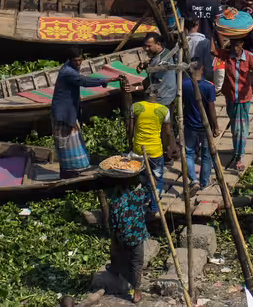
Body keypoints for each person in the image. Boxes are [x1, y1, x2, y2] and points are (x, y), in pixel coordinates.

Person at [52, 47, 126, 178]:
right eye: (75, 61)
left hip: (69, 110)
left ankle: (71, 169)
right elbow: (84, 81)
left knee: (70, 140)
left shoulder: (69, 67)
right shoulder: (67, 72)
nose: (78, 63)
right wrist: (107, 80)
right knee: (64, 142)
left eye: (80, 60)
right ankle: (67, 171)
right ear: (70, 60)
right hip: (63, 113)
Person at [129, 84, 178, 215]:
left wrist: (130, 145)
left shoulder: (135, 107)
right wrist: (168, 147)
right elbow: (167, 133)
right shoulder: (163, 110)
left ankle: (144, 199)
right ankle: (154, 206)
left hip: (138, 150)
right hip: (155, 150)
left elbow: (130, 129)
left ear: (145, 94)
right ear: (157, 95)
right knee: (157, 178)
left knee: (143, 177)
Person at [103, 175, 149, 304]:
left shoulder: (114, 203)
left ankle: (117, 270)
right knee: (136, 263)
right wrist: (142, 178)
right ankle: (137, 291)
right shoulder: (137, 196)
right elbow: (149, 187)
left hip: (123, 237)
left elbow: (113, 224)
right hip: (137, 236)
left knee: (123, 256)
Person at [213, 37, 253, 171]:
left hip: (244, 98)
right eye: (232, 45)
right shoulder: (226, 56)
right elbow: (212, 51)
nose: (235, 48)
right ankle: (238, 148)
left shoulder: (250, 57)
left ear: (242, 44)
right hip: (230, 97)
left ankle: (239, 156)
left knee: (240, 128)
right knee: (234, 126)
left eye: (237, 45)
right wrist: (212, 31)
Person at [182, 61, 219, 193]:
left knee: (189, 153)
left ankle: (194, 180)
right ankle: (204, 181)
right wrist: (216, 126)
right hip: (205, 125)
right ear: (202, 69)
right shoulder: (208, 87)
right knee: (206, 154)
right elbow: (212, 108)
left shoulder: (183, 85)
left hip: (190, 124)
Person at [137, 33, 178, 108]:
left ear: (158, 44)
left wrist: (136, 87)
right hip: (164, 95)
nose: (146, 48)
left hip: (162, 99)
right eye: (145, 46)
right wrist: (145, 65)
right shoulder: (164, 52)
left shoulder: (163, 59)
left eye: (149, 46)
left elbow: (155, 80)